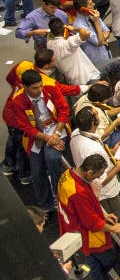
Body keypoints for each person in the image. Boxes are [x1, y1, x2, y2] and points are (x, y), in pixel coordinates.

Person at [57, 154, 120, 280]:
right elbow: (91, 223)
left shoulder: (68, 174)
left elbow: (85, 208)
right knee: (107, 257)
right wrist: (113, 228)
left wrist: (102, 214)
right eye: (97, 175)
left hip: (72, 227)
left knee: (91, 259)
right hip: (85, 233)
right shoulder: (78, 192)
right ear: (89, 172)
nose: (97, 179)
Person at [70, 108, 120, 240]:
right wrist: (117, 167)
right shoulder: (93, 150)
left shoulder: (76, 134)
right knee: (118, 214)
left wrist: (112, 152)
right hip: (105, 191)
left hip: (99, 186)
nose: (99, 115)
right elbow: (100, 181)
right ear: (92, 123)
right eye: (97, 115)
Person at [6, 70, 69, 211]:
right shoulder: (17, 101)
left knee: (52, 157)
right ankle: (46, 207)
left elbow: (64, 111)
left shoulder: (50, 89)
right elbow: (26, 127)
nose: (39, 90)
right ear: (25, 87)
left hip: (57, 129)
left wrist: (56, 134)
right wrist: (48, 138)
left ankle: (61, 197)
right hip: (36, 138)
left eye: (40, 86)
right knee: (36, 171)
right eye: (35, 88)